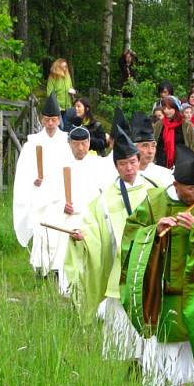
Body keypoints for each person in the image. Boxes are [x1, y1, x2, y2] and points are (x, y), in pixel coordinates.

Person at [121, 146, 194, 386]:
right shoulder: (155, 201)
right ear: (177, 184)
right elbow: (131, 233)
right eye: (192, 189)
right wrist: (154, 230)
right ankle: (168, 384)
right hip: (165, 283)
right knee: (169, 334)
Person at [64, 109, 151, 362]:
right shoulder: (106, 197)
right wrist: (82, 236)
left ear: (138, 160)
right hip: (119, 264)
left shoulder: (153, 191)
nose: (129, 168)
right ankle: (121, 360)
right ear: (116, 166)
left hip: (146, 266)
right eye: (123, 164)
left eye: (132, 162)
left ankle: (146, 360)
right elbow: (93, 226)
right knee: (119, 312)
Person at [12, 92, 73, 277]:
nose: (50, 124)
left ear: (58, 120)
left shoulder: (66, 141)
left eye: (54, 120)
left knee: (59, 232)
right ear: (42, 120)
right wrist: (34, 179)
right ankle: (40, 268)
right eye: (47, 120)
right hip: (41, 192)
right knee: (41, 230)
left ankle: (57, 269)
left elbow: (70, 166)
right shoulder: (33, 142)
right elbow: (24, 169)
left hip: (60, 193)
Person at [50, 123, 112, 294]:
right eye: (76, 144)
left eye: (84, 143)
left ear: (89, 143)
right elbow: (51, 193)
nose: (80, 148)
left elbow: (106, 192)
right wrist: (62, 204)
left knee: (92, 254)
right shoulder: (60, 166)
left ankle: (92, 287)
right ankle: (66, 288)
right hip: (68, 217)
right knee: (66, 253)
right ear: (69, 144)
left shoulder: (99, 165)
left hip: (91, 218)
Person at [131, 110, 174, 187]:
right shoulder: (124, 175)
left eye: (153, 146)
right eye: (145, 146)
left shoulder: (165, 175)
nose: (150, 151)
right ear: (133, 148)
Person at [153, 97, 194, 168]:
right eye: (164, 108)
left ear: (176, 108)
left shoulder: (186, 125)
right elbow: (154, 143)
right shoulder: (158, 125)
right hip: (161, 164)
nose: (166, 111)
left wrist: (192, 164)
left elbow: (193, 147)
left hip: (182, 164)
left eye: (169, 108)